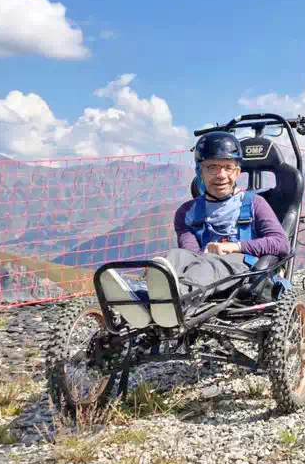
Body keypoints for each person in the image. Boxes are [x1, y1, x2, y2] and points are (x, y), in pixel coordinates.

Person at [99, 131, 291, 328]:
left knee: (209, 266)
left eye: (228, 167)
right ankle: (145, 295)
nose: (221, 175)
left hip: (243, 268)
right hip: (203, 263)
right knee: (177, 255)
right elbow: (191, 252)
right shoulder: (187, 212)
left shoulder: (254, 204)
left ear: (238, 172)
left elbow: (281, 243)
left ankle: (172, 303)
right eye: (212, 167)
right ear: (200, 171)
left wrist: (234, 247)